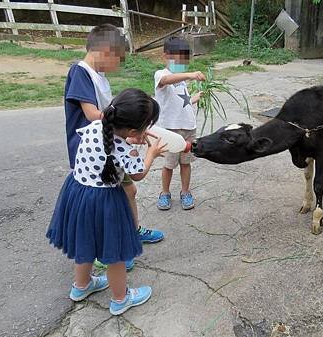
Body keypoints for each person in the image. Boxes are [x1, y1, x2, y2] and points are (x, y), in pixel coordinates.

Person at [47, 89, 168, 315]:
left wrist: (130, 138)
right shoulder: (124, 149)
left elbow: (108, 147)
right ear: (133, 130)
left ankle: (81, 286)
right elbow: (139, 172)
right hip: (104, 201)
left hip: (77, 194)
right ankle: (120, 299)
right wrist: (151, 153)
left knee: (85, 243)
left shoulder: (95, 126)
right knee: (116, 254)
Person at [62, 24, 164, 272]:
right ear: (105, 51)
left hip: (108, 147)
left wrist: (132, 131)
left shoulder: (99, 76)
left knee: (129, 191)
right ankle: (104, 251)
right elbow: (93, 114)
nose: (118, 66)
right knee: (105, 202)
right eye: (119, 59)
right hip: (93, 154)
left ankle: (132, 232)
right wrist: (130, 131)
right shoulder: (81, 71)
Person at [155, 37, 205, 211]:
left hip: (188, 128)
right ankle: (164, 193)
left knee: (186, 162)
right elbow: (166, 81)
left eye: (184, 60)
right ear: (165, 57)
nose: (181, 64)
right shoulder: (161, 75)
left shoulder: (182, 81)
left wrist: (194, 99)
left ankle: (185, 192)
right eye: (177, 59)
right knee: (169, 164)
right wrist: (191, 74)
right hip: (171, 130)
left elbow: (181, 102)